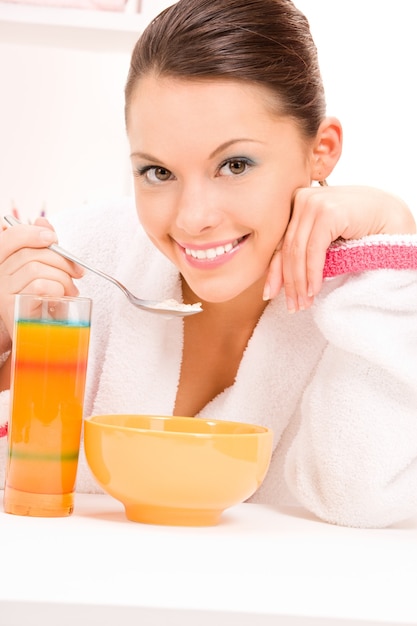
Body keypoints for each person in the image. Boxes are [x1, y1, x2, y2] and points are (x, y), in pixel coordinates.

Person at [1, 0, 417, 528]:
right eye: (157, 172)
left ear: (322, 150)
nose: (193, 218)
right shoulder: (74, 264)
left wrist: (394, 240)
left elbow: (360, 498)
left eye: (235, 165)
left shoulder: (371, 299)